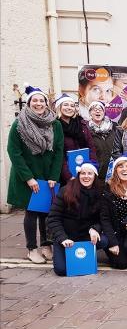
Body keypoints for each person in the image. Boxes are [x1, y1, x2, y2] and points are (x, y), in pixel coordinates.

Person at [7, 86, 64, 264]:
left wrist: (54, 176)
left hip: (47, 175)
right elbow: (14, 151)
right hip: (27, 175)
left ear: (47, 104)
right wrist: (29, 178)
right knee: (31, 212)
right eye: (35, 101)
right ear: (29, 103)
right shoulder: (19, 123)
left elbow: (58, 151)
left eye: (42, 100)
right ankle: (32, 249)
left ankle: (46, 245)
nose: (38, 104)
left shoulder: (54, 124)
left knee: (46, 212)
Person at [47, 161, 116, 276]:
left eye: (90, 173)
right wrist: (62, 238)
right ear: (79, 174)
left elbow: (102, 218)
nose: (86, 176)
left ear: (95, 176)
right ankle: (62, 250)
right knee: (61, 270)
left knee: (103, 240)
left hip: (84, 235)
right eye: (83, 173)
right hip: (66, 236)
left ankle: (87, 253)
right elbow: (53, 218)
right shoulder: (66, 190)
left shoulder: (100, 192)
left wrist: (94, 229)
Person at [54, 93, 97, 185]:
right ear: (59, 107)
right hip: (65, 175)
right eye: (65, 105)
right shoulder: (55, 127)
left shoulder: (82, 124)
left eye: (72, 105)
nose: (69, 108)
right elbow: (58, 155)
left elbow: (91, 147)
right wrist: (68, 176)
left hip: (85, 171)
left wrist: (91, 167)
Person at [88, 101, 116, 181]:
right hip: (97, 173)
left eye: (100, 109)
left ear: (104, 112)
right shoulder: (85, 129)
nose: (98, 111)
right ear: (90, 113)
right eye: (94, 109)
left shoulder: (114, 127)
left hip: (114, 172)